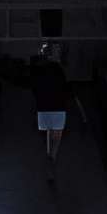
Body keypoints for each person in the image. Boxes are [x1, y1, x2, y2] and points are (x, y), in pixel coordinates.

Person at [28, 43, 72, 171]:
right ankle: (51, 158)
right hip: (57, 106)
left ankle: (50, 158)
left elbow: (34, 88)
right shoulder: (58, 70)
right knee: (56, 137)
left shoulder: (39, 70)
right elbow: (64, 88)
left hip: (45, 106)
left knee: (48, 135)